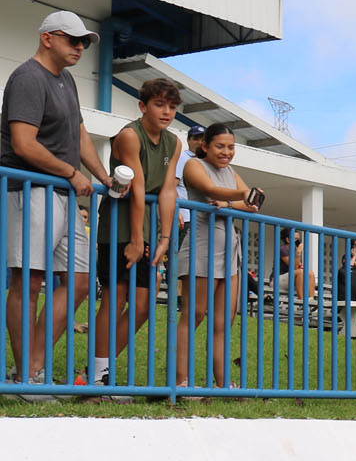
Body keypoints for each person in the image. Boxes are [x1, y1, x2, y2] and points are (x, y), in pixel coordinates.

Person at [3, 11, 114, 390]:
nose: (80, 47)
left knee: (80, 282)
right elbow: (23, 143)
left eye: (84, 42)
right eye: (72, 39)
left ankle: (29, 370)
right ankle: (26, 377)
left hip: (64, 194)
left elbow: (79, 134)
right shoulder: (27, 77)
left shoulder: (67, 80)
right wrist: (70, 172)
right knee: (29, 282)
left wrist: (103, 177)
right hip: (30, 189)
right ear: (47, 38)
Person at [89, 77, 182, 391]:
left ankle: (99, 370)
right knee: (114, 299)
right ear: (143, 106)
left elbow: (167, 191)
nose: (166, 112)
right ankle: (98, 376)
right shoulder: (130, 135)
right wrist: (136, 240)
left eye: (172, 106)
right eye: (159, 104)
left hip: (147, 231)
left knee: (143, 305)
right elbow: (138, 188)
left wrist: (164, 239)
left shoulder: (174, 142)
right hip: (118, 228)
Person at [175, 123, 260, 389]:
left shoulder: (231, 172)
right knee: (195, 314)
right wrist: (241, 196)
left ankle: (223, 384)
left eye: (231, 147)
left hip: (229, 250)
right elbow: (211, 190)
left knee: (223, 322)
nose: (226, 152)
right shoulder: (194, 165)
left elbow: (253, 205)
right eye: (220, 146)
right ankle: (180, 381)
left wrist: (231, 203)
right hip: (202, 246)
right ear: (205, 146)